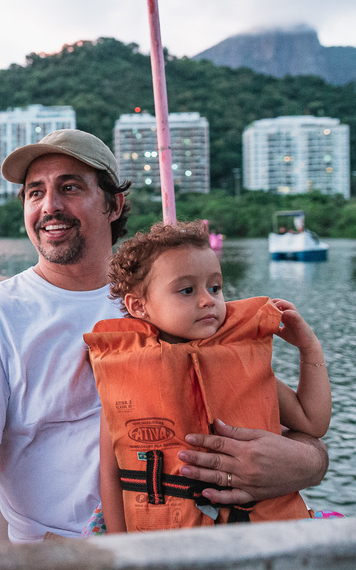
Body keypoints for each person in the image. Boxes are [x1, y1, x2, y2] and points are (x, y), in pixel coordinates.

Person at [0, 128, 328, 543]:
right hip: (71, 560)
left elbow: (273, 412)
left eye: (69, 187)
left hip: (212, 541)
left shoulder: (176, 303)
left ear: (113, 204)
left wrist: (307, 463)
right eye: (35, 192)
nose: (50, 205)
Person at [86, 220, 330, 534]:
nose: (207, 300)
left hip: (258, 540)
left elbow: (313, 422)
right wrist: (124, 552)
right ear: (139, 306)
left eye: (215, 287)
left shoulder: (240, 363)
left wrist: (310, 349)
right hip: (166, 551)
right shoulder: (126, 376)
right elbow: (111, 476)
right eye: (187, 290)